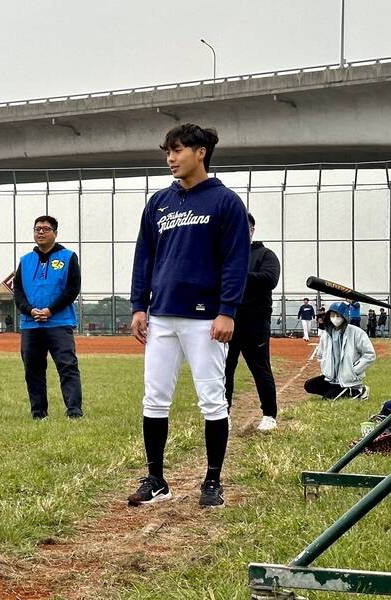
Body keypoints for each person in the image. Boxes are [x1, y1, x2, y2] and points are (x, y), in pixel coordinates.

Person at [128, 123, 250, 508]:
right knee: (154, 398)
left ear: (201, 152)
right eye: (168, 151)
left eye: (178, 150)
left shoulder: (225, 202)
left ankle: (212, 482)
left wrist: (227, 310)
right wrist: (138, 305)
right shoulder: (159, 202)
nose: (170, 158)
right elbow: (144, 256)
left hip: (206, 318)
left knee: (213, 399)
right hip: (162, 314)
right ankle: (156, 479)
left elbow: (235, 260)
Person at [13, 215, 83, 420]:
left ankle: (74, 412)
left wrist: (50, 310)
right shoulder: (25, 261)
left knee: (67, 367)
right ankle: (38, 414)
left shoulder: (68, 257)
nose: (40, 232)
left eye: (45, 228)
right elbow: (17, 291)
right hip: (30, 324)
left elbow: (72, 289)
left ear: (55, 232)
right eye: (37, 229)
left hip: (59, 323)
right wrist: (29, 310)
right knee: (33, 370)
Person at [224, 213, 280, 432]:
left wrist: (237, 275)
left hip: (255, 322)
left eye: (244, 227)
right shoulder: (225, 255)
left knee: (260, 369)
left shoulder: (265, 254)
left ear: (252, 230)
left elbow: (269, 279)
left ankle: (269, 415)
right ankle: (223, 414)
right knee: (224, 370)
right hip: (227, 321)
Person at [304, 301, 374, 400]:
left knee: (327, 400)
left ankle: (359, 391)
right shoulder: (326, 334)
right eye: (332, 315)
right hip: (331, 378)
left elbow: (369, 355)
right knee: (309, 385)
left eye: (338, 315)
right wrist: (326, 368)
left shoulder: (356, 333)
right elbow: (320, 354)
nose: (335, 318)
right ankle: (334, 391)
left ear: (344, 316)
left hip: (348, 379)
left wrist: (354, 370)